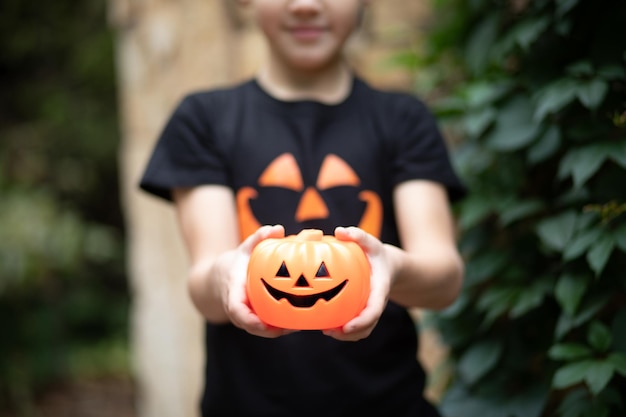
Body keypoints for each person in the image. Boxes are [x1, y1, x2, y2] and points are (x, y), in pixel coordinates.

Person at [139, 0, 466, 415]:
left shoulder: (404, 119)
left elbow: (445, 277)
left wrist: (394, 268)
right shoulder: (204, 119)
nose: (307, 5)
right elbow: (206, 287)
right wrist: (225, 274)